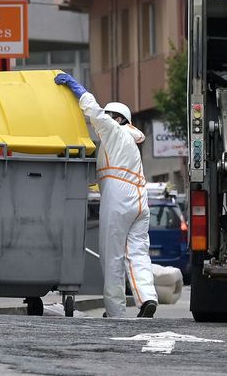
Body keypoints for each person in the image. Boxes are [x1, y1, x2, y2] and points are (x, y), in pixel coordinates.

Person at [54, 72, 158, 319]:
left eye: (111, 116)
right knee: (138, 253)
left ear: (119, 119)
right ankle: (147, 298)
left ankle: (115, 312)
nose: (106, 120)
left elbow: (93, 110)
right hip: (140, 201)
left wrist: (73, 86)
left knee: (112, 256)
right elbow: (104, 176)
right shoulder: (128, 143)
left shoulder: (114, 131)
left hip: (119, 201)